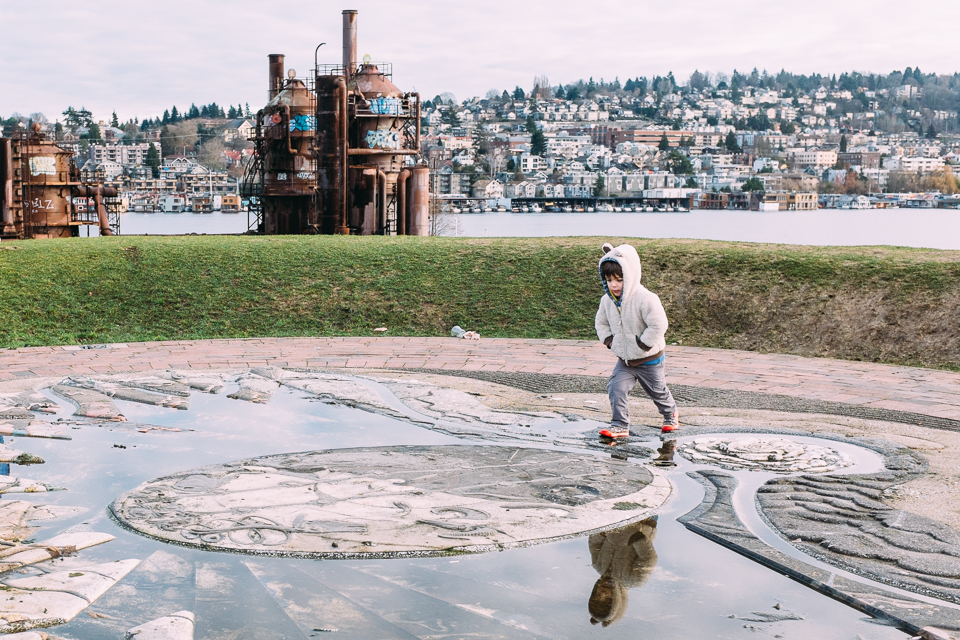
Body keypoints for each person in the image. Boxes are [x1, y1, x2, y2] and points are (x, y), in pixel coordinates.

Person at [595, 242, 678, 437]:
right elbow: (601, 322)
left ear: (630, 275)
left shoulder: (646, 298)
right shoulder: (607, 301)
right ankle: (619, 424)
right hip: (625, 359)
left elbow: (659, 324)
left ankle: (670, 414)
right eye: (609, 280)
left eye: (619, 279)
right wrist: (609, 341)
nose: (613, 285)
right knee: (616, 387)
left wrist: (643, 344)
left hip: (650, 358)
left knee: (657, 391)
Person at [587, 517, 659, 627]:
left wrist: (600, 534)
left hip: (617, 522)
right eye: (607, 599)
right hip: (642, 523)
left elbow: (595, 546)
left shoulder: (598, 566)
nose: (603, 593)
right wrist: (639, 540)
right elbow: (649, 560)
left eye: (598, 596)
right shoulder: (634, 579)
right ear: (616, 600)